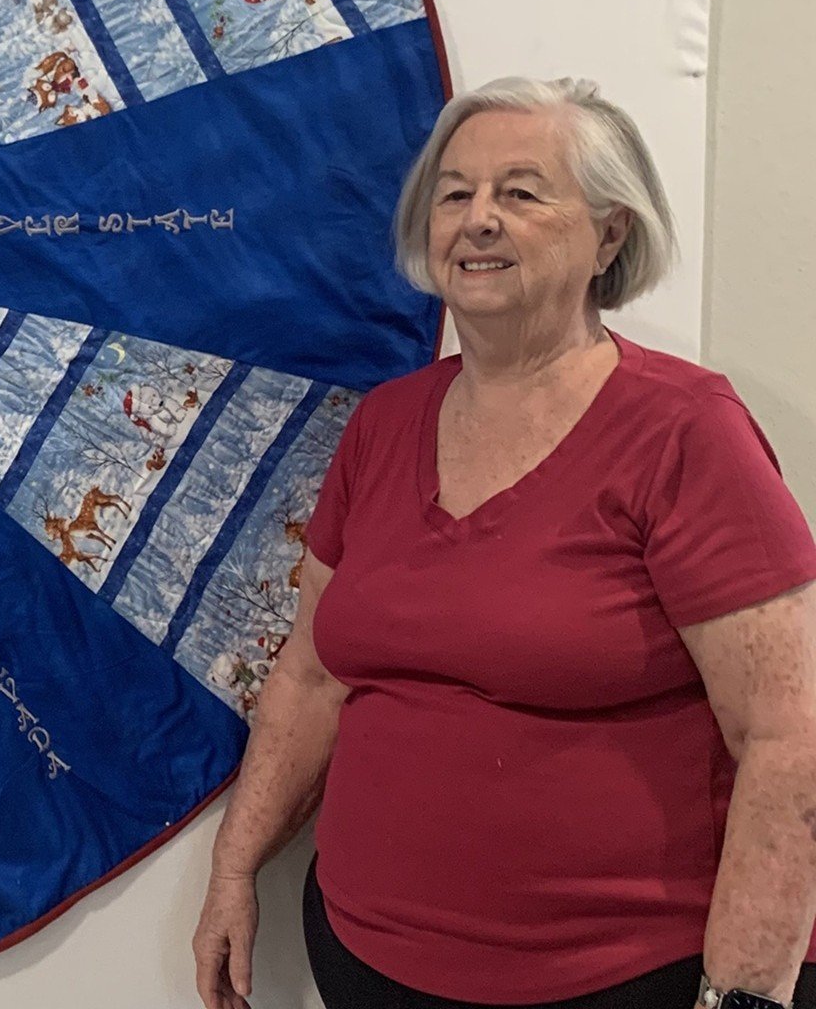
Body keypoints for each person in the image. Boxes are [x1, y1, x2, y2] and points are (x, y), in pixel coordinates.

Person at [191, 76, 816, 1009]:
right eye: (455, 193)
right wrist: (233, 869)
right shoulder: (385, 425)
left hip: (624, 978)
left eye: (521, 192)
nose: (478, 220)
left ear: (610, 233)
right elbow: (311, 678)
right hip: (366, 960)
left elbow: (789, 737)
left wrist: (746, 998)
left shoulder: (685, 430)